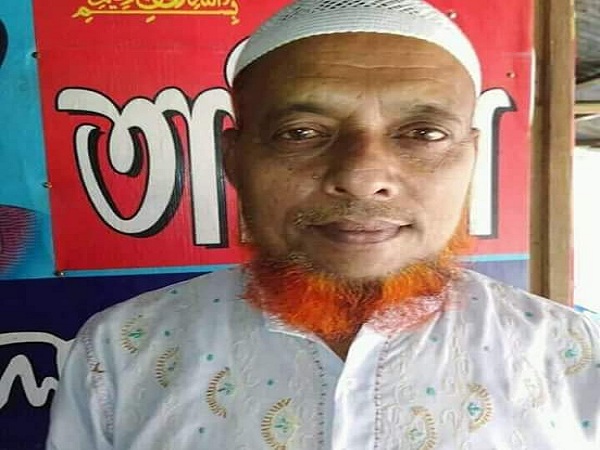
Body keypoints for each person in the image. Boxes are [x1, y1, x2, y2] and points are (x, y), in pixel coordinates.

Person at [47, 0, 599, 448]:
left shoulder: (575, 356)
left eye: (422, 134)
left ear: (472, 156)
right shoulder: (121, 354)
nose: (361, 177)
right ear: (234, 160)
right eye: (302, 133)